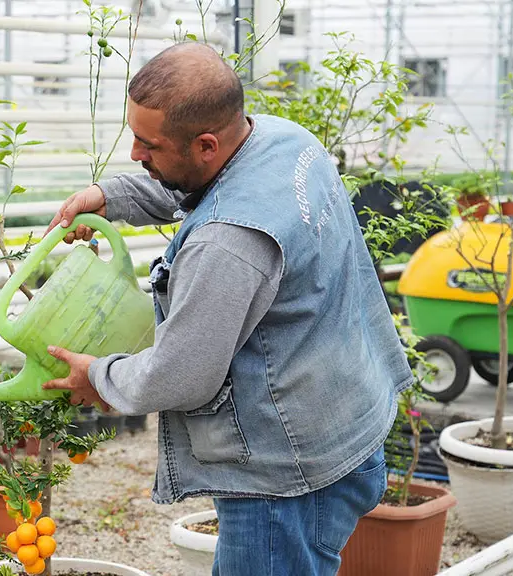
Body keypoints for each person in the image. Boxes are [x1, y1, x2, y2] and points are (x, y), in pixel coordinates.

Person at [41, 42, 413, 575]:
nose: (133, 154)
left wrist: (99, 377)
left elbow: (182, 374)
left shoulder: (227, 244)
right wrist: (111, 196)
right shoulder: (287, 142)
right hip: (348, 426)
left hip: (284, 480)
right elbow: (203, 186)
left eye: (148, 144)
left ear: (208, 144)